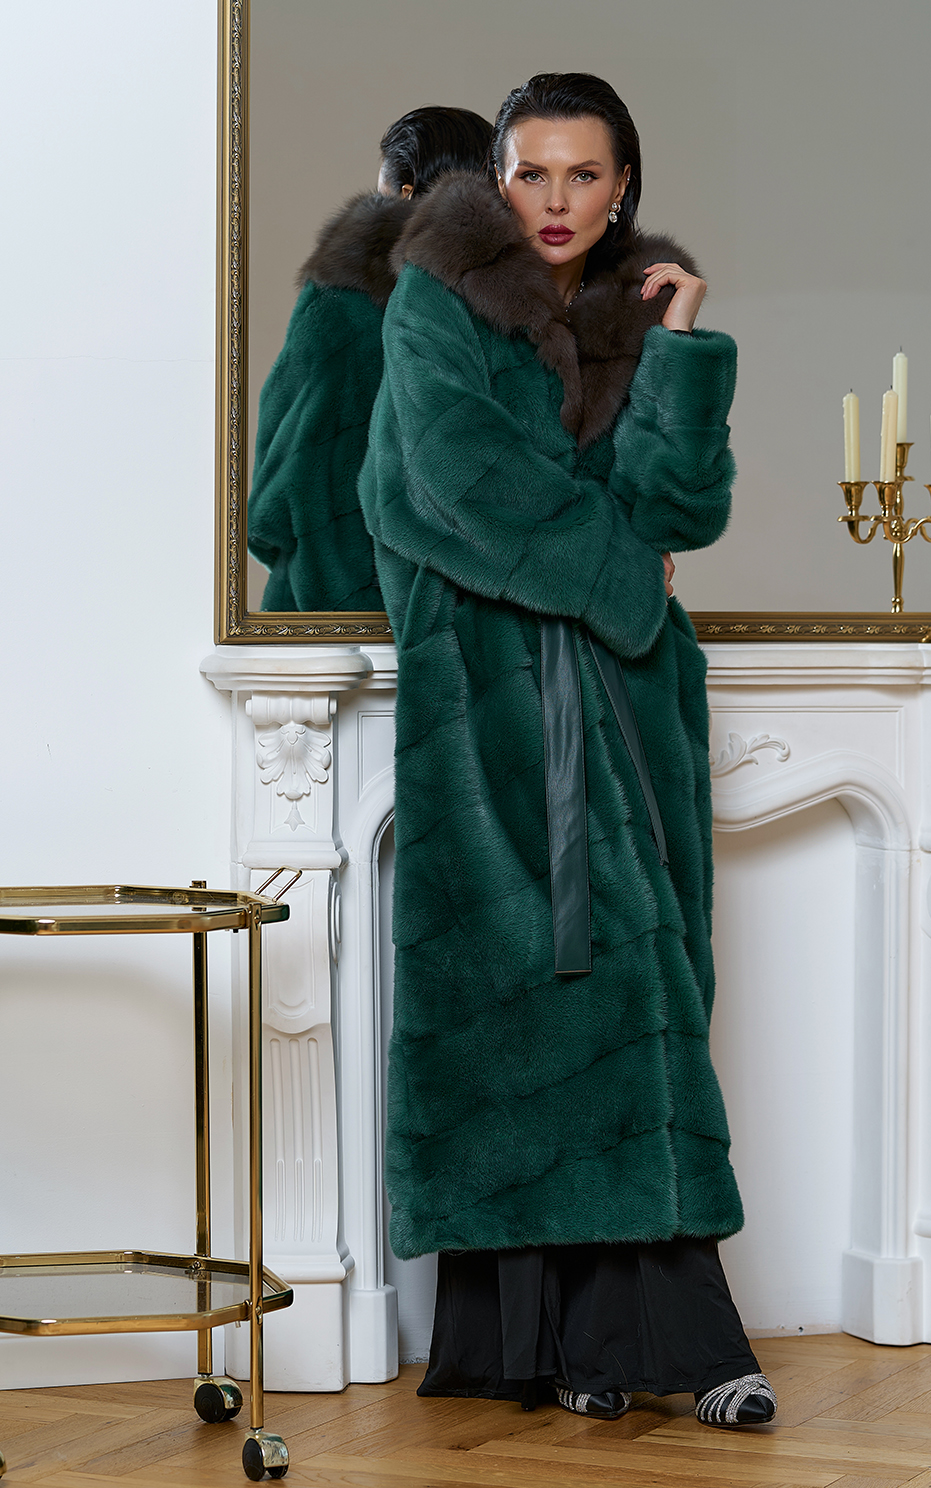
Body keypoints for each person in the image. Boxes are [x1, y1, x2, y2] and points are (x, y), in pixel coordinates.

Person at [359, 73, 776, 1429]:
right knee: (535, 1008)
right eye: (531, 173)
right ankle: (651, 1345)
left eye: (584, 175)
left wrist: (681, 354)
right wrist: (625, 579)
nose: (555, 201)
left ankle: (599, 1347)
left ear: (622, 186)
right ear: (495, 178)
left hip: (628, 703)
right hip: (487, 699)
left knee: (633, 998)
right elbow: (459, 488)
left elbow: (674, 508)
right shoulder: (434, 299)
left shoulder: (634, 312)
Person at [247, 105, 492, 612]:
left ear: (403, 191)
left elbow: (287, 469)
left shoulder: (341, 304)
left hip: (323, 609)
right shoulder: (502, 311)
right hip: (445, 614)